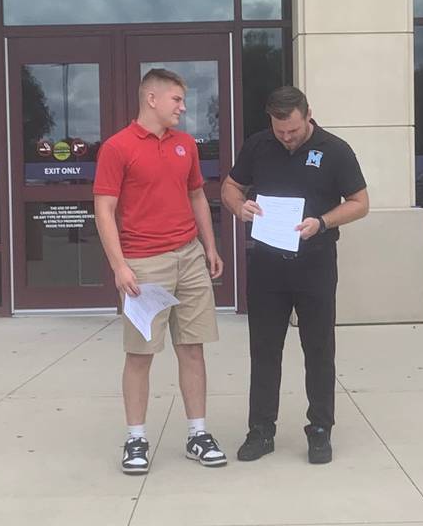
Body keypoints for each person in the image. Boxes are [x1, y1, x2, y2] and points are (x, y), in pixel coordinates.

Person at [221, 85, 368, 464]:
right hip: (267, 263)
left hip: (315, 261)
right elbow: (230, 187)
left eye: (294, 131)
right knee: (264, 350)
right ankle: (261, 431)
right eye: (279, 131)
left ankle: (320, 431)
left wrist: (322, 221)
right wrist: (240, 207)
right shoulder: (257, 145)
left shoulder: (335, 150)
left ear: (308, 115)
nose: (286, 138)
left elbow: (360, 203)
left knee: (318, 349)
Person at [94, 68, 227, 474]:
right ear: (151, 99)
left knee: (193, 347)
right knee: (140, 355)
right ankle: (136, 439)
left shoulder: (186, 144)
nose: (183, 109)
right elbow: (104, 208)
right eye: (177, 100)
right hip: (143, 264)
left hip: (189, 257)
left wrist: (210, 246)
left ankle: (198, 434)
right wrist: (119, 266)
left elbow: (198, 196)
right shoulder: (117, 147)